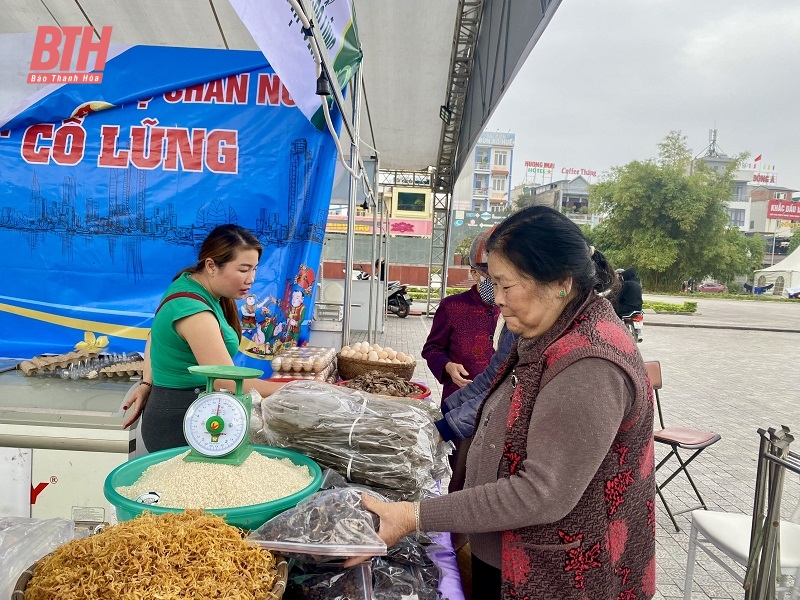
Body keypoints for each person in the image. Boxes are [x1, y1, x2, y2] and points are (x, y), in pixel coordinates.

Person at [349, 206, 656, 600]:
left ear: (560, 282)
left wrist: (415, 515)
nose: (498, 302)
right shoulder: (548, 329)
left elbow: (539, 493)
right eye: (492, 285)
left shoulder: (590, 363)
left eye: (506, 287)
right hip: (512, 551)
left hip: (558, 575)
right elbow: (494, 391)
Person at [122, 224, 285, 451]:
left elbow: (153, 336)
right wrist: (298, 389)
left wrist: (148, 382)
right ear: (211, 265)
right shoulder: (193, 310)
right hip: (182, 422)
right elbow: (226, 381)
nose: (251, 279)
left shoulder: (192, 285)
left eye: (254, 269)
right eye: (243, 270)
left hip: (197, 415)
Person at [422, 233, 500, 492]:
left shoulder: (514, 309)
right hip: (460, 403)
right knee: (459, 477)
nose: (497, 285)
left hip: (500, 409)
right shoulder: (452, 307)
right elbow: (431, 348)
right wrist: (446, 366)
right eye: (490, 276)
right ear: (474, 274)